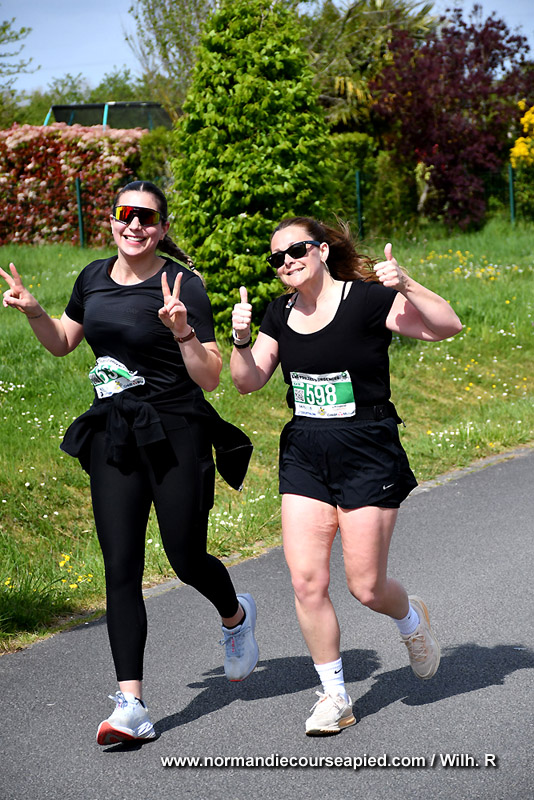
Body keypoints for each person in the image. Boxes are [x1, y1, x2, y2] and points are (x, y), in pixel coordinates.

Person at [0, 180, 259, 746]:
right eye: (124, 214)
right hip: (114, 434)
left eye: (146, 217)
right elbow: (63, 341)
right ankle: (131, 705)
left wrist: (182, 330)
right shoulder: (92, 277)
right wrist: (35, 311)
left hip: (176, 432)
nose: (134, 224)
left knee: (185, 557)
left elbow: (211, 376)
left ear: (162, 228)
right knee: (120, 567)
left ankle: (235, 616)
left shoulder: (183, 284)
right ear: (111, 221)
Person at [230, 216, 462, 736]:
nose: (286, 262)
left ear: (321, 250)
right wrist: (241, 340)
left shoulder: (367, 300)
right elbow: (247, 382)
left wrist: (407, 285)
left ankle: (410, 620)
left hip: (367, 451)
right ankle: (334, 696)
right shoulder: (278, 313)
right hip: (305, 453)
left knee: (366, 586)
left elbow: (447, 326)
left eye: (296, 250)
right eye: (277, 258)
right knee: (306, 580)